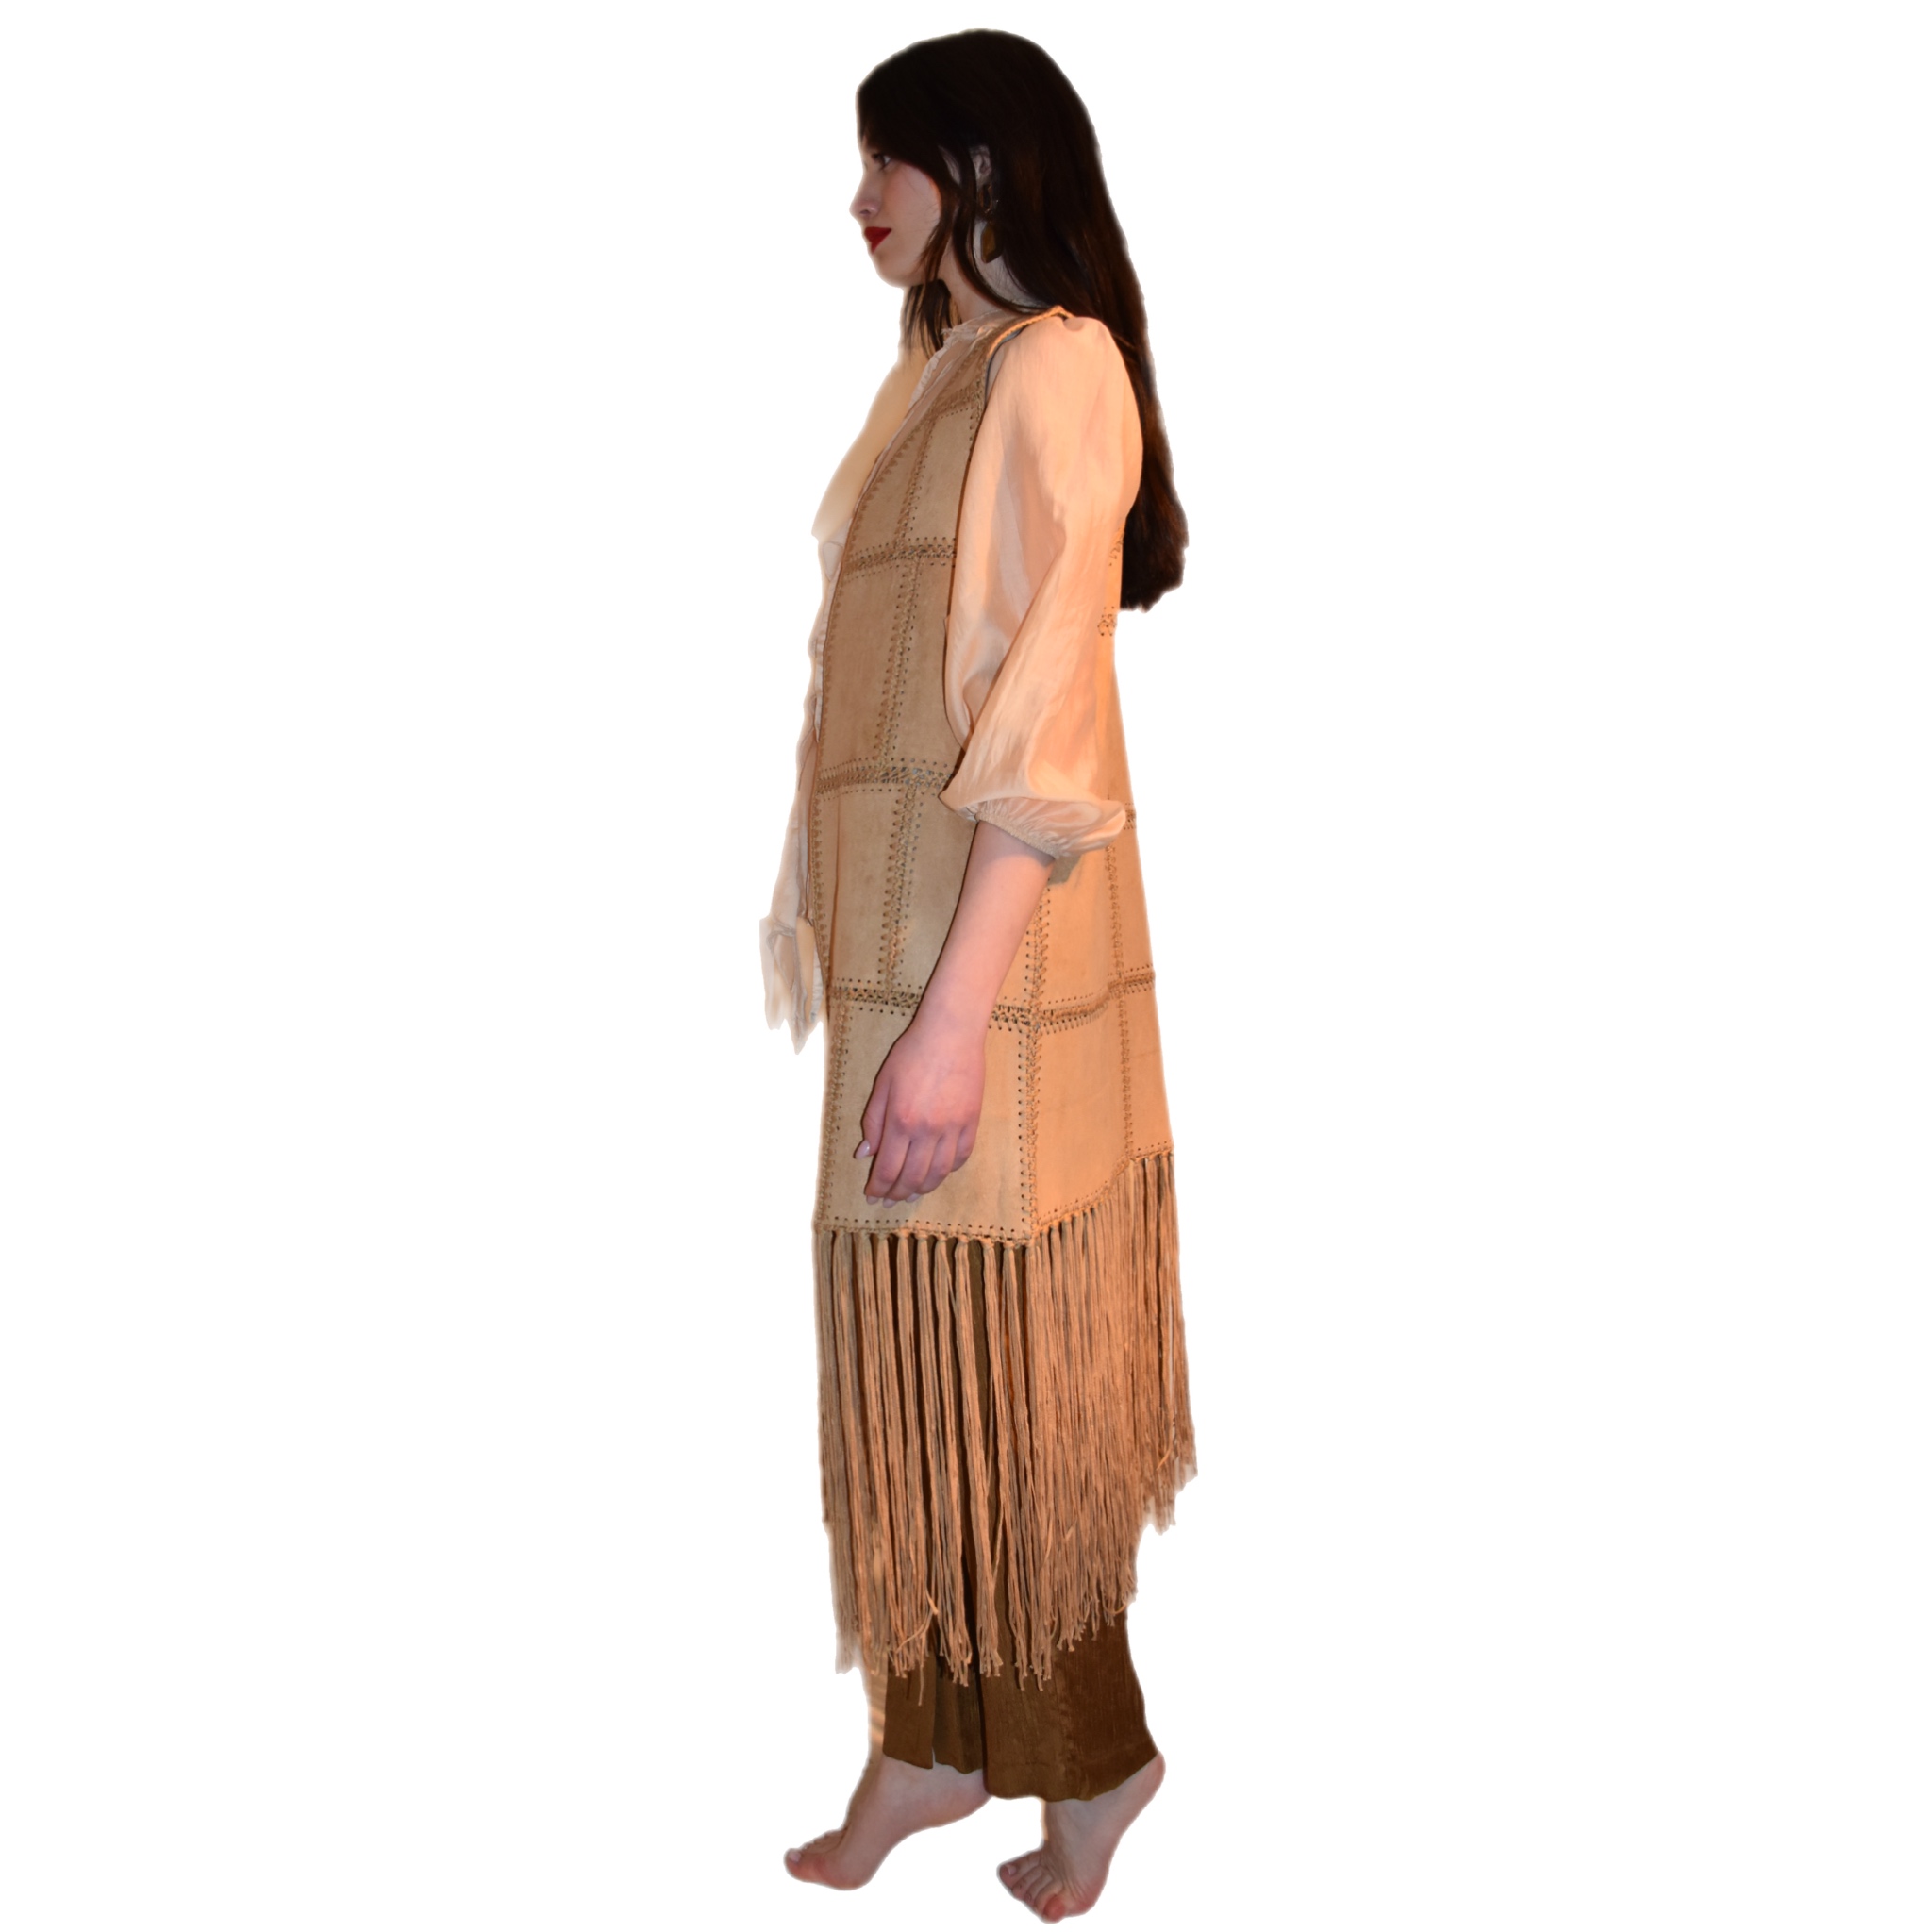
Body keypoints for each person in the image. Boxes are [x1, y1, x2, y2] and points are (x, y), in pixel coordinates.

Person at [758, 31, 1199, 1922]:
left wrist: (950, 1030)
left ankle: (1093, 1757)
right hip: (911, 965)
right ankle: (935, 1738)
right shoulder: (940, 372)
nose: (861, 197)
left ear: (986, 168)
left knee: (1004, 1384)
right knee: (920, 1378)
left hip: (988, 980)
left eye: (892, 159)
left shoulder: (1056, 366)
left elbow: (1047, 722)